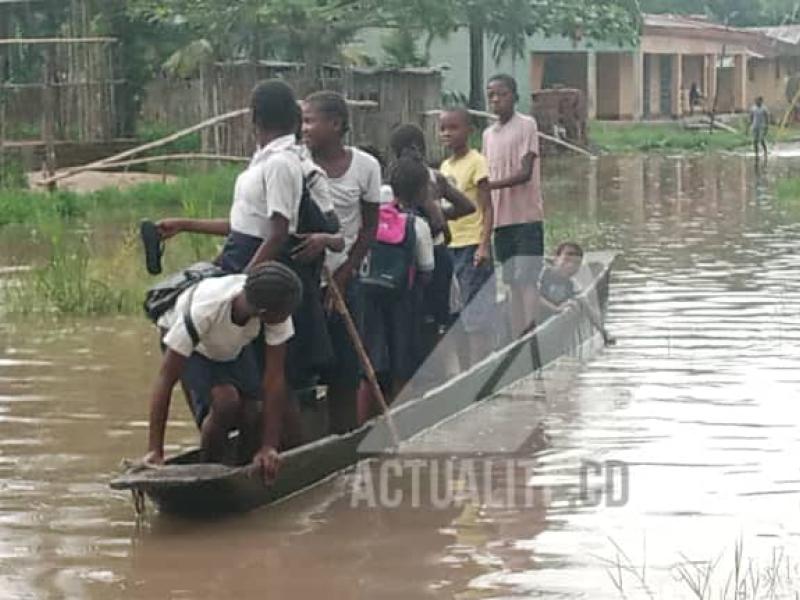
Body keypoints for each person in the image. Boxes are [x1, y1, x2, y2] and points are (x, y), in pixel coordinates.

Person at [151, 80, 342, 390]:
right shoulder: (265, 159)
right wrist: (185, 224)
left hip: (259, 262)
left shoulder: (281, 163)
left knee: (267, 361)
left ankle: (270, 429)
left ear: (254, 117)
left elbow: (278, 232)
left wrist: (243, 282)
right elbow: (244, 225)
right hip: (248, 256)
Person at [143, 262, 303, 483]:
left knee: (252, 410)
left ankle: (245, 467)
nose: (287, 318)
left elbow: (274, 379)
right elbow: (165, 379)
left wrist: (269, 446)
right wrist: (155, 450)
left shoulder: (273, 307)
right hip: (194, 346)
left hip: (230, 345)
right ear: (264, 313)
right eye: (285, 314)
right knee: (225, 402)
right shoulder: (205, 310)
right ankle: (209, 468)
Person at [301, 91, 381, 433]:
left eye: (310, 121)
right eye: (302, 121)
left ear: (335, 124)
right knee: (301, 367)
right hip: (303, 281)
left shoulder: (366, 166)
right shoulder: (296, 163)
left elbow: (370, 226)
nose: (304, 128)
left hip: (344, 279)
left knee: (345, 370)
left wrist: (346, 274)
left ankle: (344, 437)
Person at [388, 124, 474, 372]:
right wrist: (440, 220)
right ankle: (455, 372)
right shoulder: (431, 176)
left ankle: (418, 373)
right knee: (443, 316)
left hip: (402, 256)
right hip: (433, 254)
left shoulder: (391, 176)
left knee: (418, 316)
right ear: (419, 147)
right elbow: (465, 208)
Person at [357, 152, 435, 424]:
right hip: (404, 303)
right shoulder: (419, 225)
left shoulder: (370, 218)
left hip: (367, 300)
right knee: (404, 365)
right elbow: (426, 272)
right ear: (423, 191)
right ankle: (404, 425)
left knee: (370, 368)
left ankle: (361, 427)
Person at [483, 73, 545, 340]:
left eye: (502, 94)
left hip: (526, 217)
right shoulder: (488, 134)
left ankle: (531, 329)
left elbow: (525, 172)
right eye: (491, 96)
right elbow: (485, 172)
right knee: (511, 280)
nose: (496, 100)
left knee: (527, 278)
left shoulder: (527, 125)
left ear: (514, 97)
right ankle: (518, 332)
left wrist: (491, 187)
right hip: (500, 219)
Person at [438, 107, 497, 368]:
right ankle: (464, 371)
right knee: (456, 315)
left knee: (477, 314)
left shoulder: (477, 162)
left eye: (453, 128)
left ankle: (479, 371)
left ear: (469, 131)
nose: (447, 133)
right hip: (451, 246)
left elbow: (487, 207)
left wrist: (484, 245)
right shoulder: (444, 166)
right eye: (443, 129)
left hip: (473, 244)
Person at [538, 242, 615, 346]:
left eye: (576, 263)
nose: (570, 266)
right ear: (556, 259)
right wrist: (555, 309)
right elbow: (533, 296)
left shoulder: (572, 284)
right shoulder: (541, 274)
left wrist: (604, 333)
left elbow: (588, 308)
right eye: (566, 260)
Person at [750, 96, 770, 162]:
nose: (756, 102)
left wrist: (767, 126)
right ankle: (756, 153)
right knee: (755, 141)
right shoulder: (753, 108)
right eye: (756, 101)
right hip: (755, 126)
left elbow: (767, 118)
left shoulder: (764, 109)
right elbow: (751, 117)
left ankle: (765, 152)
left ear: (761, 101)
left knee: (761, 140)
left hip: (762, 126)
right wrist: (750, 125)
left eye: (758, 101)